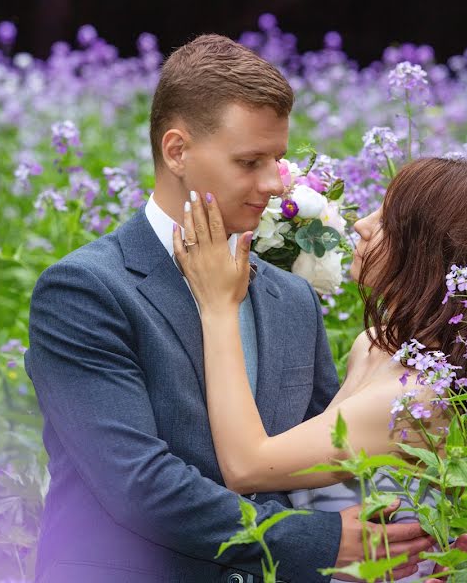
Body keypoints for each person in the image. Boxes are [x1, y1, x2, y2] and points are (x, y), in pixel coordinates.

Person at [25, 33, 432, 583]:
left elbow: (321, 461)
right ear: (177, 151)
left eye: (279, 159)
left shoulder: (291, 298)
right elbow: (137, 484)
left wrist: (411, 544)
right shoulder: (85, 290)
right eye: (249, 161)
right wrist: (321, 541)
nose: (272, 183)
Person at [173, 157, 467, 580]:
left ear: (428, 255)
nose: (362, 224)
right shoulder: (374, 345)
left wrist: (219, 306)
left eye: (389, 222)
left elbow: (247, 465)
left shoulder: (416, 395)